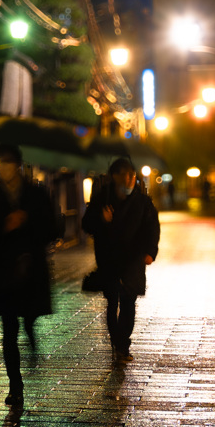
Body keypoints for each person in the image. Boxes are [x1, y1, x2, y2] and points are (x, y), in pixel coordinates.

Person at [0, 143, 57, 407]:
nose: (5, 169)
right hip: (4, 274)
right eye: (1, 163)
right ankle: (15, 385)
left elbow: (52, 229)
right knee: (9, 331)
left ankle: (32, 333)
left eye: (8, 163)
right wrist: (5, 226)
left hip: (31, 271)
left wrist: (28, 222)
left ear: (18, 166)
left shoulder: (36, 195)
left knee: (28, 315)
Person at [81, 156, 160, 364]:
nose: (129, 180)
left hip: (133, 261)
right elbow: (86, 224)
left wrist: (150, 251)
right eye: (124, 175)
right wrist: (101, 219)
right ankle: (118, 341)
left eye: (132, 175)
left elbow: (152, 228)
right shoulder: (101, 200)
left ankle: (122, 345)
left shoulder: (143, 202)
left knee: (128, 303)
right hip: (109, 260)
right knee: (112, 301)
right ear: (114, 177)